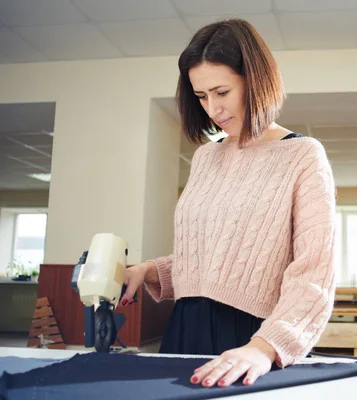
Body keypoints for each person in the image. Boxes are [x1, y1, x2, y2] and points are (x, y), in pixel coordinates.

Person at [119, 18, 337, 389]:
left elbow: (314, 274)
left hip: (252, 341)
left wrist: (263, 349)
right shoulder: (205, 157)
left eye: (222, 92)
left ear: (256, 80)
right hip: (183, 330)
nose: (213, 109)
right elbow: (219, 253)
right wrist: (149, 271)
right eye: (202, 97)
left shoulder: (302, 155)